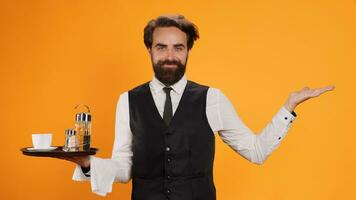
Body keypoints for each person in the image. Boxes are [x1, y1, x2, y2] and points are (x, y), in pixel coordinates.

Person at [59, 14, 334, 200]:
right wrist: (87, 164)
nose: (170, 56)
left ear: (188, 50)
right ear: (150, 50)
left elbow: (256, 151)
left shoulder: (212, 99)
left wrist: (289, 106)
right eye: (161, 47)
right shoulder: (127, 100)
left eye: (178, 48)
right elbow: (124, 168)